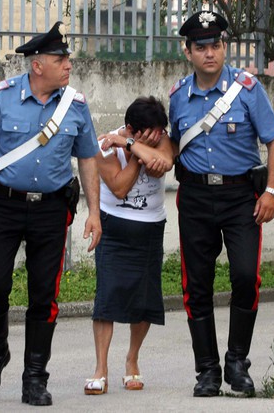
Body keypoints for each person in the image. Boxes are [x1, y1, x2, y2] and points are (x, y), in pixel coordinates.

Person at [0, 21, 102, 407]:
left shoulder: (76, 106)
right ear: (37, 65)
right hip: (4, 207)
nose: (68, 65)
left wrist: (94, 212)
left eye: (67, 58)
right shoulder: (0, 97)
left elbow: (88, 159)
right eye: (60, 59)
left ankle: (35, 377)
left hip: (51, 209)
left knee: (44, 294)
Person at [168, 11, 274, 397]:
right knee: (197, 285)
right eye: (201, 47)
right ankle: (207, 370)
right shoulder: (178, 96)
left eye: (216, 45)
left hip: (241, 199)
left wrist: (271, 192)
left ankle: (237, 363)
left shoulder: (247, 89)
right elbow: (172, 145)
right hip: (196, 198)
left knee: (245, 277)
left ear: (224, 47)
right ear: (188, 51)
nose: (210, 53)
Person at [83, 96, 174, 395]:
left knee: (145, 300)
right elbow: (120, 187)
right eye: (152, 133)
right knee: (106, 298)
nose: (158, 137)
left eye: (161, 132)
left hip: (150, 228)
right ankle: (100, 369)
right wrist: (136, 153)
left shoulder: (159, 139)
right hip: (113, 228)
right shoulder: (103, 146)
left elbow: (163, 164)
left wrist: (130, 144)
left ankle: (132, 358)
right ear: (133, 128)